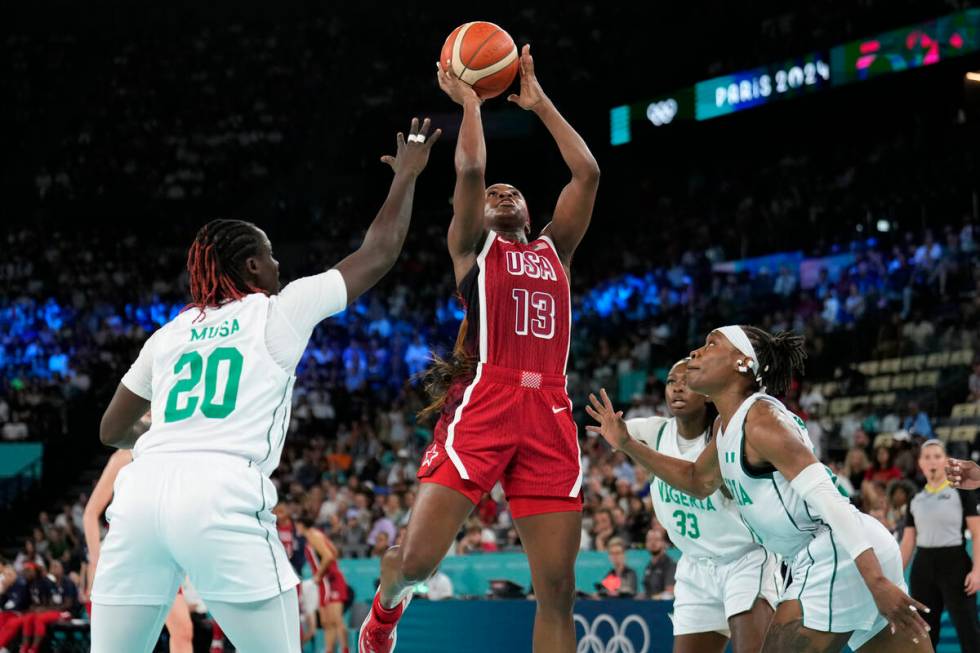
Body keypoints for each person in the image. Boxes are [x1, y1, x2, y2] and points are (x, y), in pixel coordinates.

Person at [89, 117, 440, 653]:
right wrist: (408, 176)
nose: (279, 265)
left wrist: (172, 432)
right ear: (253, 265)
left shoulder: (169, 333)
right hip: (220, 491)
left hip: (140, 495)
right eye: (272, 256)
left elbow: (111, 429)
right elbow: (378, 253)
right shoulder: (277, 312)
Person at [359, 46, 599, 653]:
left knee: (559, 591)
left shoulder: (555, 252)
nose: (501, 192)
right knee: (415, 564)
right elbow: (468, 171)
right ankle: (385, 612)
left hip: (549, 409)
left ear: (528, 211)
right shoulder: (473, 251)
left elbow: (587, 174)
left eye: (511, 191)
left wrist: (540, 104)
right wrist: (470, 103)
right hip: (485, 400)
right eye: (493, 193)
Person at [587, 325, 932, 652]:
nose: (695, 352)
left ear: (743, 364)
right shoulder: (730, 424)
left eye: (711, 345)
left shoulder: (762, 421)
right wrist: (627, 444)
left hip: (837, 550)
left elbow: (831, 500)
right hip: (848, 549)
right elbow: (697, 480)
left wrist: (876, 581)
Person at [587, 358, 779, 652]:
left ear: (705, 392)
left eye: (686, 383)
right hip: (695, 564)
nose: (676, 389)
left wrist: (627, 444)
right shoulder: (656, 431)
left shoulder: (726, 433)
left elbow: (697, 483)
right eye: (670, 382)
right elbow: (614, 432)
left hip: (745, 559)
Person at [83, 449, 194, 653]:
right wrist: (97, 562)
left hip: (162, 556)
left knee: (183, 631)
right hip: (127, 557)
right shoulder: (124, 457)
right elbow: (90, 514)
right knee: (128, 637)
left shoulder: (170, 453)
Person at [900, 440, 980, 650]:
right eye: (927, 457)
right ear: (920, 463)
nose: (932, 460)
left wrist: (978, 570)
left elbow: (977, 534)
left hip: (956, 565)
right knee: (924, 632)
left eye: (937, 456)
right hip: (923, 568)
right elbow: (908, 541)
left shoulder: (962, 493)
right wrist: (893, 576)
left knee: (969, 629)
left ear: (945, 461)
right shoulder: (915, 498)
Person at [296, 515, 350, 653]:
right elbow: (335, 551)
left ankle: (345, 649)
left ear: (302, 525)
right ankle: (329, 649)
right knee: (327, 621)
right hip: (326, 581)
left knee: (336, 619)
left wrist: (319, 574)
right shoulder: (317, 534)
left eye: (297, 525)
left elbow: (329, 556)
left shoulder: (313, 536)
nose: (296, 528)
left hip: (330, 580)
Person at [641, 527, 676, 599]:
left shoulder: (670, 564)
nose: (653, 543)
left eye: (656, 540)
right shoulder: (649, 566)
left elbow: (670, 593)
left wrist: (652, 598)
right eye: (650, 540)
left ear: (663, 543)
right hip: (649, 606)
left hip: (664, 607)